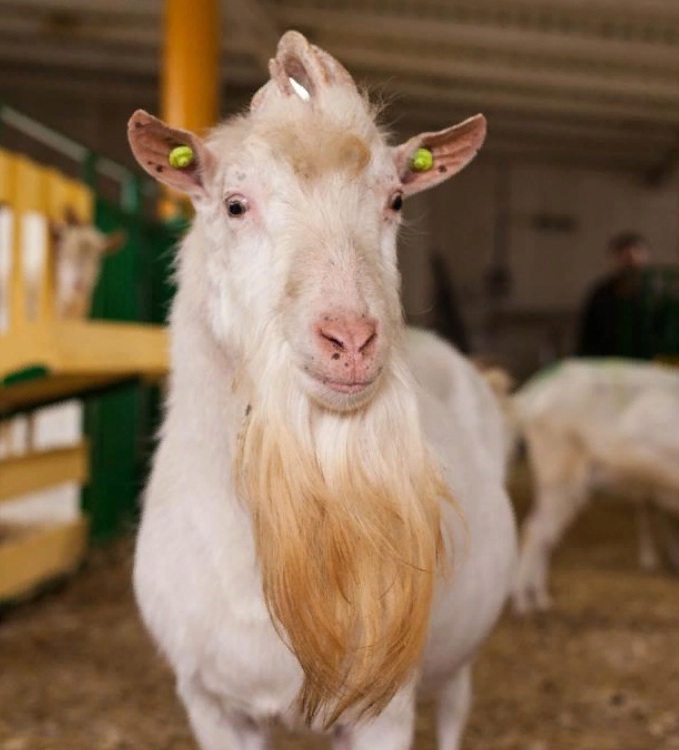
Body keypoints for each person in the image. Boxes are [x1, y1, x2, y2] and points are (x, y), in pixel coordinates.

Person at [576, 231, 651, 357]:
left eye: (635, 259)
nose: (630, 264)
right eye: (625, 259)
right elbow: (588, 336)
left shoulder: (656, 295)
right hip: (607, 361)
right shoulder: (601, 294)